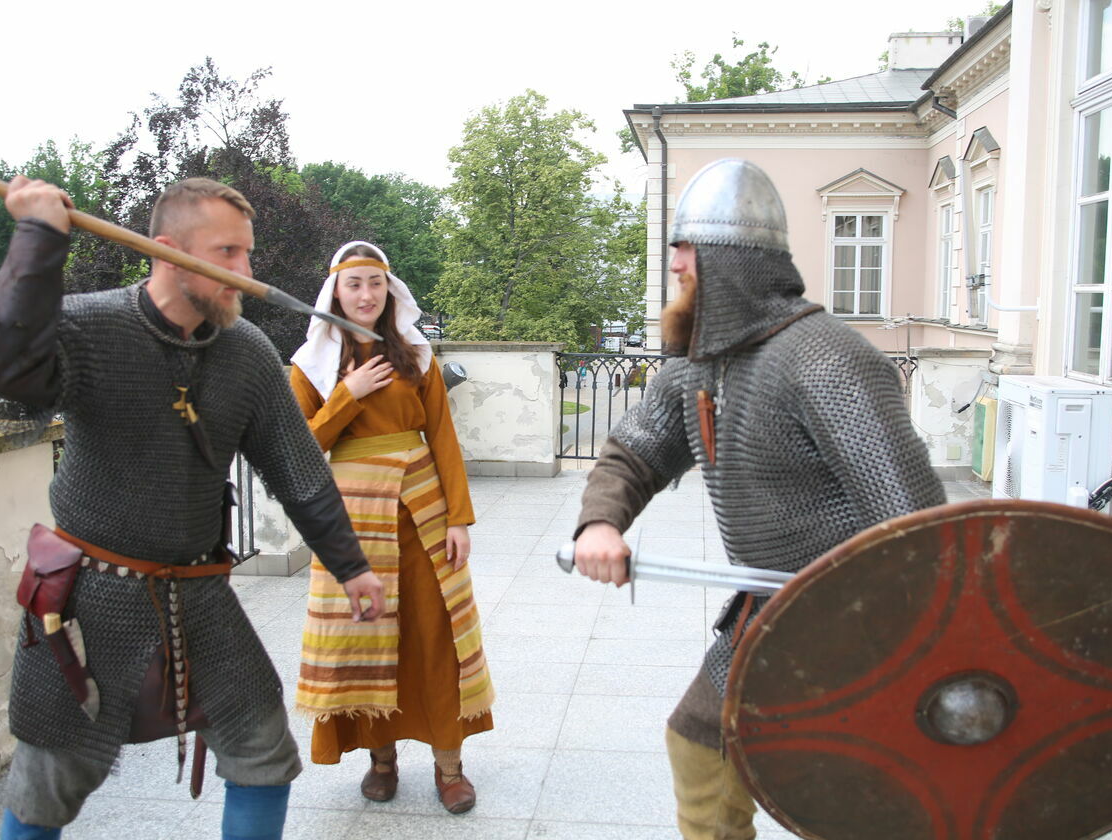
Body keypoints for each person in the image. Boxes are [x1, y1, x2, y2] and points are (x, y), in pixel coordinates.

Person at [0, 176, 384, 840]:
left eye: (248, 254)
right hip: (89, 597)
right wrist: (37, 237)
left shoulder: (246, 353)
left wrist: (352, 567)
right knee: (49, 777)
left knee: (263, 753)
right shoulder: (89, 327)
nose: (246, 274)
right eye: (227, 253)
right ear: (167, 251)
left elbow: (300, 475)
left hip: (198, 593)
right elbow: (4, 369)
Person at [571, 158, 946, 840]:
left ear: (728, 259)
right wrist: (601, 521)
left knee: (844, 796)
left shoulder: (826, 357)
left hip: (857, 617)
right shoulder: (697, 366)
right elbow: (636, 451)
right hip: (767, 611)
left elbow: (915, 521)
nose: (675, 263)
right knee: (699, 742)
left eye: (686, 247)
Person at [290, 241, 494, 814]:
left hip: (422, 513)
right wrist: (347, 399)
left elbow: (443, 436)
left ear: (389, 290)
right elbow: (299, 449)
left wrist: (459, 516)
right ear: (336, 292)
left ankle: (449, 765)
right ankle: (381, 758)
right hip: (350, 522)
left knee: (436, 635)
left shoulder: (417, 355)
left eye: (375, 283)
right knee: (366, 636)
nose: (365, 294)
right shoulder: (310, 366)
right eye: (353, 284)